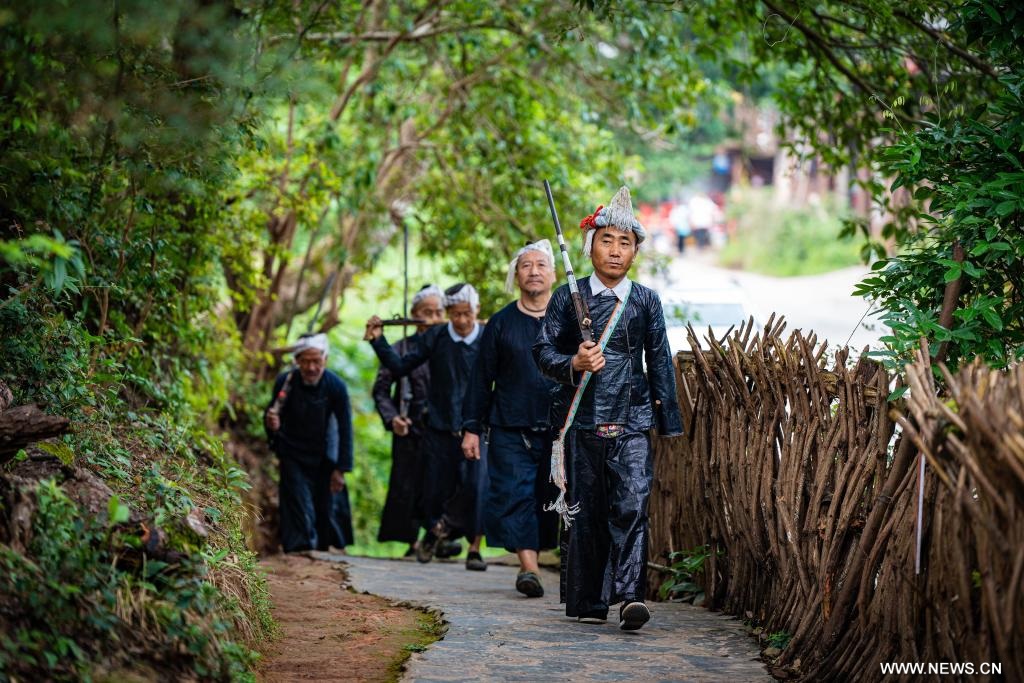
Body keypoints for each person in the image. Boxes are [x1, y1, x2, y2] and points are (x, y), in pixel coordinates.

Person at [533, 186, 683, 631]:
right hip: (581, 420)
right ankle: (589, 600)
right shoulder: (567, 298)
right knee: (587, 511)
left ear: (635, 250)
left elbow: (659, 361)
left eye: (625, 242)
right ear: (591, 245)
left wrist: (667, 423)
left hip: (633, 419)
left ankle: (629, 597)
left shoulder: (645, 301)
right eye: (607, 240)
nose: (616, 251)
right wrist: (574, 363)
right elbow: (542, 353)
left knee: (633, 506)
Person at [364, 283, 489, 570]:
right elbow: (399, 367)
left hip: (475, 427)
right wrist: (378, 341)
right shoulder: (435, 336)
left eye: (467, 313)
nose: (461, 320)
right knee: (433, 490)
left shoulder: (487, 336)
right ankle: (435, 532)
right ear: (448, 314)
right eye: (454, 314)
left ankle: (461, 540)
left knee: (476, 486)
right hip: (438, 427)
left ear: (477, 310)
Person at [462, 240, 560, 598]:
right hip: (509, 427)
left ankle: (541, 558)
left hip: (558, 429)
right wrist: (471, 428)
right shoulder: (501, 323)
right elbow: (480, 378)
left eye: (540, 265)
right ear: (516, 276)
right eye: (525, 266)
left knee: (547, 498)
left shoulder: (567, 319)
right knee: (515, 494)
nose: (533, 271)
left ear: (553, 274)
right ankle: (529, 569)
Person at [371, 285, 455, 557]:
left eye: (438, 312)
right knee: (408, 483)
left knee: (442, 483)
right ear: (413, 314)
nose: (431, 317)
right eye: (426, 312)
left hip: (442, 427)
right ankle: (412, 541)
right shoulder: (400, 348)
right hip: (410, 427)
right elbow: (381, 389)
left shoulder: (450, 345)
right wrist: (392, 417)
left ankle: (439, 537)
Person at [265, 333, 353, 554]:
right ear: (297, 361)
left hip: (324, 454)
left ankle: (325, 548)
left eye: (317, 361)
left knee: (326, 505)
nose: (311, 367)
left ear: (326, 359)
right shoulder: (286, 382)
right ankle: (299, 551)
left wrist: (341, 468)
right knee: (297, 502)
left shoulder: (336, 386)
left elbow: (345, 429)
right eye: (306, 361)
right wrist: (272, 424)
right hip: (293, 453)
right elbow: (272, 417)